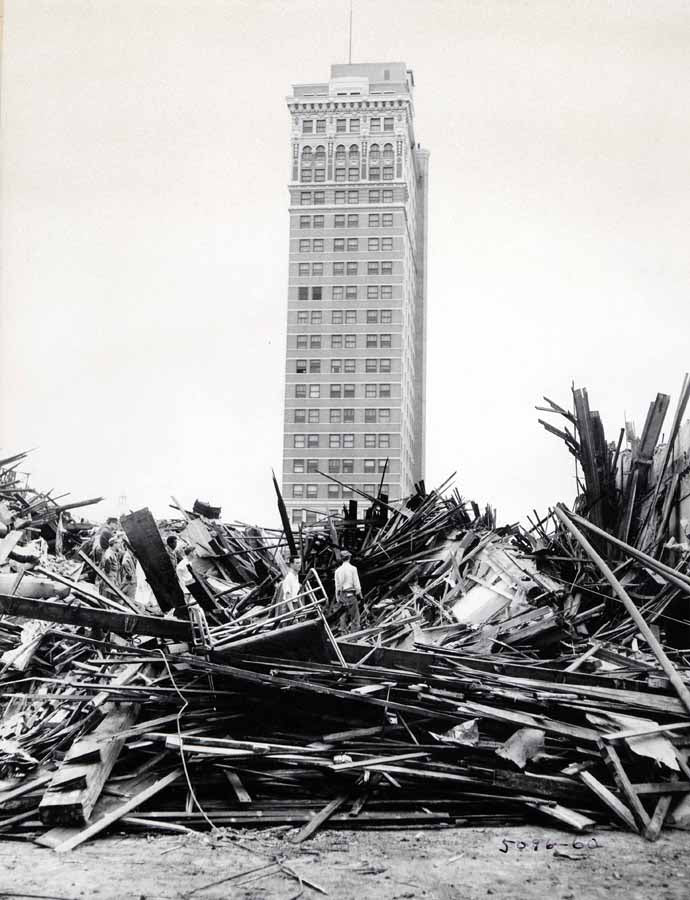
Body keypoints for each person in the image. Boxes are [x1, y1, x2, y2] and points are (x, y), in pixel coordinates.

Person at [334, 550, 362, 633]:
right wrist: (359, 594)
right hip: (351, 594)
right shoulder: (353, 569)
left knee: (342, 617)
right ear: (349, 558)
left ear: (341, 559)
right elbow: (357, 585)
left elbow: (337, 587)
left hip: (342, 595)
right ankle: (353, 638)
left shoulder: (337, 571)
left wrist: (338, 598)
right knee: (355, 618)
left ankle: (344, 636)